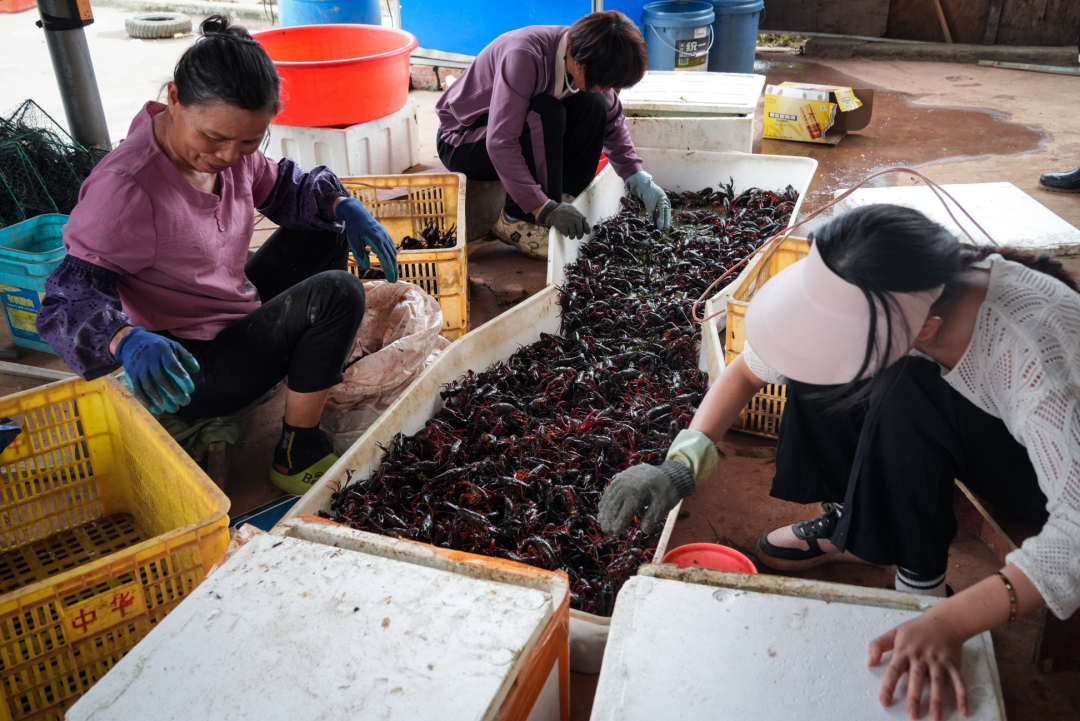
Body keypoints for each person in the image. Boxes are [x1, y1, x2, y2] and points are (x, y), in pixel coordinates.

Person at [599, 205, 1080, 720]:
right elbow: (746, 373)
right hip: (978, 414)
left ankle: (922, 590)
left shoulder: (1031, 355)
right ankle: (857, 522)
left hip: (1037, 472)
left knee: (907, 389)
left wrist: (953, 622)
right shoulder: (907, 285)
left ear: (927, 330)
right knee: (820, 364)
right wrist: (680, 467)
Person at [36, 16, 398, 496]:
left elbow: (285, 189)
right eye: (214, 138)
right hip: (187, 369)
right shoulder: (125, 189)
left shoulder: (231, 155)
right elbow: (66, 301)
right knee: (339, 294)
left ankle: (303, 364)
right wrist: (125, 340)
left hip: (231, 314)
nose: (229, 155)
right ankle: (297, 450)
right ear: (173, 98)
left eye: (248, 141)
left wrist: (342, 206)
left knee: (328, 232)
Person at [435, 11, 671, 259]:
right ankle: (517, 220)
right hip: (462, 140)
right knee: (545, 112)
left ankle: (565, 199)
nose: (609, 89)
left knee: (595, 103)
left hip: (503, 131)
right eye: (606, 83)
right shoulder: (524, 57)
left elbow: (612, 122)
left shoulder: (586, 52)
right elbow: (501, 142)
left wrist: (637, 177)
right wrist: (542, 207)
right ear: (579, 66)